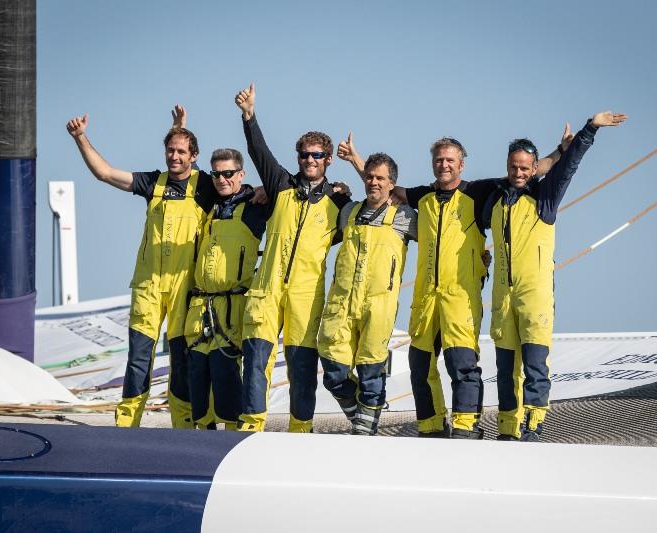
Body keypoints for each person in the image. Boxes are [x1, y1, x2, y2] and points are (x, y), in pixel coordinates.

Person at [386, 130, 567, 439]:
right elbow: (386, 186)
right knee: (420, 364)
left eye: (450, 160)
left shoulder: (481, 191)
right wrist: (357, 162)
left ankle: (466, 427)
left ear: (462, 164)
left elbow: (529, 170)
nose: (444, 165)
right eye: (439, 159)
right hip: (426, 297)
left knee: (462, 365)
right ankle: (430, 427)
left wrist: (562, 150)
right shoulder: (424, 196)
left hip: (461, 295)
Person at [482, 110, 627, 441]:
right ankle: (507, 430)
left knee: (535, 370)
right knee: (505, 372)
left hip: (535, 299)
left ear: (534, 169)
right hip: (503, 300)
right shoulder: (493, 197)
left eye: (524, 167)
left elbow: (567, 168)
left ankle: (533, 428)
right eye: (513, 167)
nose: (518, 172)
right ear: (507, 167)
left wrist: (589, 130)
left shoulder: (544, 197)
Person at [66, 111, 216, 428]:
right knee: (138, 360)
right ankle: (126, 425)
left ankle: (184, 426)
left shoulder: (205, 186)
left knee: (182, 361)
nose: (174, 157)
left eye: (181, 152)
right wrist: (80, 138)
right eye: (170, 151)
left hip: (184, 290)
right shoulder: (153, 183)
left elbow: (237, 185)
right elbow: (104, 173)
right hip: (148, 286)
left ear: (194, 156)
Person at [234, 84, 351, 433]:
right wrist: (249, 115)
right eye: (304, 155)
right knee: (255, 359)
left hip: (306, 293)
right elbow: (259, 151)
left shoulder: (340, 203)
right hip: (266, 289)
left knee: (301, 365)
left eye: (316, 155)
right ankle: (251, 426)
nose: (309, 161)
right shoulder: (280, 184)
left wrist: (352, 176)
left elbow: (372, 214)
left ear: (327, 160)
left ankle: (301, 429)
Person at [317, 141, 417, 435]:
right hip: (342, 304)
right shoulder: (348, 211)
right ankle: (361, 416)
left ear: (392, 184)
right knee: (333, 373)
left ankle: (365, 431)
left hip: (378, 306)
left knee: (371, 372)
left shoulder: (405, 217)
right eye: (370, 176)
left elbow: (439, 239)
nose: (373, 182)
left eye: (380, 178)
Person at [183, 147, 269, 430]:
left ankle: (230, 440)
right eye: (217, 174)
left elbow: (284, 185)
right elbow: (183, 168)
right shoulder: (210, 206)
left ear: (241, 174)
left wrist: (337, 188)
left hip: (231, 309)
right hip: (200, 309)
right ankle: (200, 441)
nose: (222, 179)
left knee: (226, 378)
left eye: (228, 173)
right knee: (197, 378)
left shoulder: (255, 206)